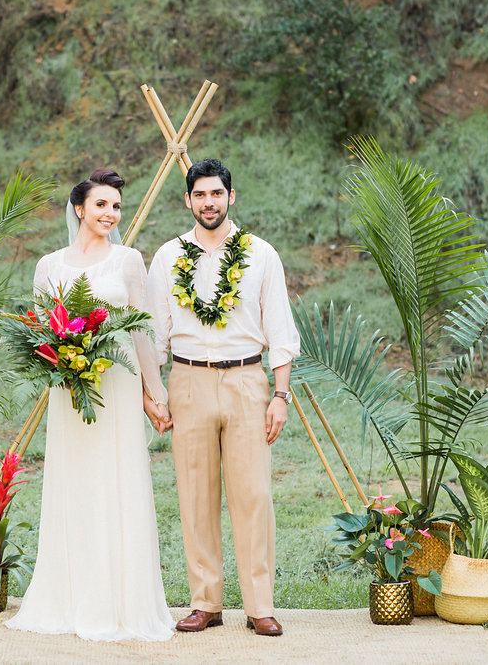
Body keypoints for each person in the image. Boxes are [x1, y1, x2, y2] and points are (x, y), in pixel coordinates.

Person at [4, 168, 174, 641]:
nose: (110, 213)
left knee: (116, 480)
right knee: (75, 483)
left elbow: (141, 329)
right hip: (70, 391)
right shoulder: (49, 266)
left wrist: (153, 391)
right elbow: (41, 332)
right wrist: (63, 359)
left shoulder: (128, 261)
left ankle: (122, 602)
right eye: (101, 204)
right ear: (79, 208)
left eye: (116, 206)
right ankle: (70, 596)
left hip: (116, 386)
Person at [146, 158, 300, 637]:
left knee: (253, 494)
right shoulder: (168, 257)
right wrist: (152, 394)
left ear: (231, 197)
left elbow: (280, 329)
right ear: (188, 200)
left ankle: (260, 606)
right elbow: (153, 332)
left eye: (217, 194)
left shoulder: (260, 255)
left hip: (247, 382)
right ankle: (205, 601)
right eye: (200, 195)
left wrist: (280, 395)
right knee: (195, 495)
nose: (208, 202)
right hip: (188, 381)